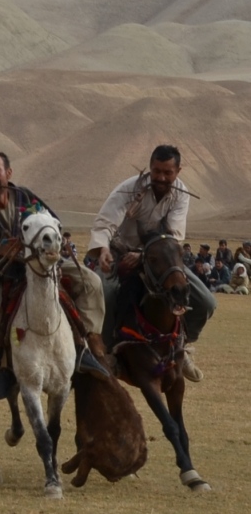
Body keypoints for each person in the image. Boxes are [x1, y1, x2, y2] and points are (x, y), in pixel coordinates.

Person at [0, 150, 108, 399]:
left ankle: (85, 346)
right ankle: (2, 364)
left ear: (8, 173)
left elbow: (53, 222)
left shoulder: (25, 197)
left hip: (41, 265)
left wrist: (51, 244)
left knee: (91, 282)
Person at [88, 144, 215, 381]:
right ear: (150, 168)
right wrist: (103, 249)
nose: (161, 177)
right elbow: (105, 222)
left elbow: (174, 234)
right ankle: (108, 354)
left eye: (168, 172)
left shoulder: (181, 194)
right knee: (103, 293)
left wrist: (143, 255)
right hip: (119, 252)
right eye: (157, 171)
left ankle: (183, 347)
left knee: (206, 302)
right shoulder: (129, 189)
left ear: (178, 171)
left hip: (161, 257)